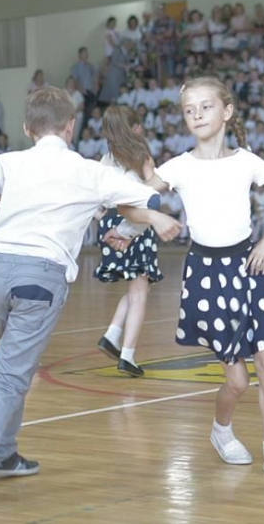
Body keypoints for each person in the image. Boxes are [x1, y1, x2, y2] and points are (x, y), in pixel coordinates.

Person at [0, 87, 181, 502]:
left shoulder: (8, 162)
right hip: (40, 282)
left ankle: (5, 454)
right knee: (8, 377)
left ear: (27, 128)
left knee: (16, 365)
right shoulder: (89, 171)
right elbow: (145, 194)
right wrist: (155, 212)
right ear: (70, 126)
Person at [108, 77, 264, 481]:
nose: (197, 115)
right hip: (207, 275)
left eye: (205, 107)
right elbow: (128, 206)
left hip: (251, 266)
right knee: (237, 381)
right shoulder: (176, 167)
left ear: (226, 112)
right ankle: (221, 430)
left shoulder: (247, 161)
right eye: (189, 109)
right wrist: (152, 217)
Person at [94, 107, 163, 377]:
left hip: (108, 221)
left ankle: (112, 335)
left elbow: (96, 197)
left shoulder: (105, 158)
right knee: (139, 292)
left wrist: (103, 219)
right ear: (134, 129)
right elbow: (152, 190)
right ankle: (128, 355)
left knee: (138, 287)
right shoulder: (141, 155)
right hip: (133, 220)